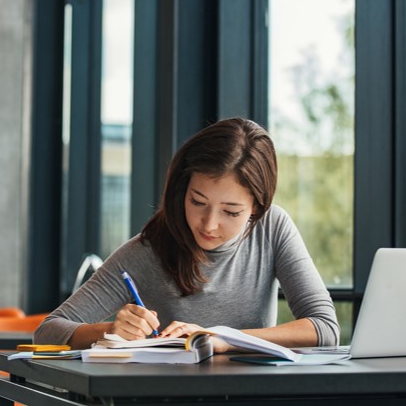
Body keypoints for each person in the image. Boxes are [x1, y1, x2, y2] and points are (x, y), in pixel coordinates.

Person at [34, 117, 340, 352]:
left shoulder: (272, 228)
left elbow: (324, 328)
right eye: (197, 202)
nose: (209, 224)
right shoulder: (147, 250)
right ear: (182, 190)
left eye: (231, 212)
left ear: (256, 209)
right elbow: (47, 331)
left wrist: (221, 338)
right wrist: (110, 330)